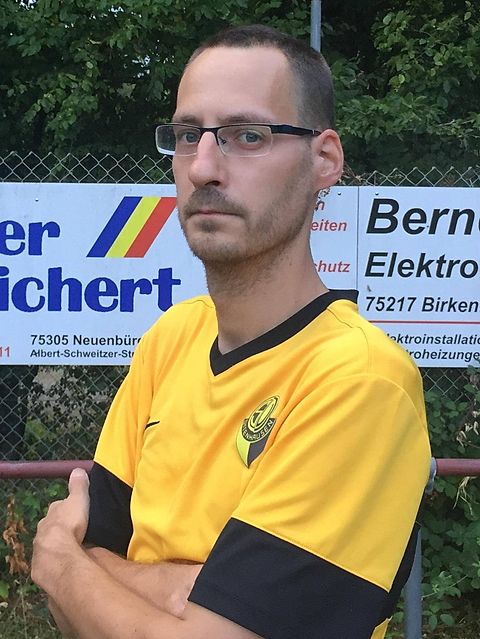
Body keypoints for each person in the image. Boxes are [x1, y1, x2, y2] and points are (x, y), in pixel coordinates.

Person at [32, 24, 431, 639]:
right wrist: (186, 592)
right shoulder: (173, 336)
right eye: (188, 135)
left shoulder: (360, 381)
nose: (203, 168)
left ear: (324, 159)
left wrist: (63, 568)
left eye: (248, 136)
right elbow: (86, 583)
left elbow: (77, 567)